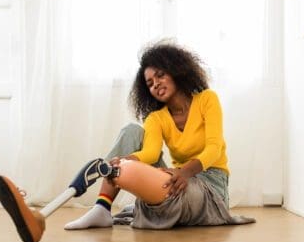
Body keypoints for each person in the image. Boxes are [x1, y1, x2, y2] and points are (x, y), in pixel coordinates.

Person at [64, 42, 255, 230]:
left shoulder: (207, 99)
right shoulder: (156, 118)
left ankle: (152, 204)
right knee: (132, 131)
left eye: (160, 75)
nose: (155, 84)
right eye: (150, 83)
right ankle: (102, 208)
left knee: (171, 190)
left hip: (209, 183)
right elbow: (151, 154)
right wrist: (126, 160)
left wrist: (185, 172)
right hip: (177, 178)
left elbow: (214, 148)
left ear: (176, 71)